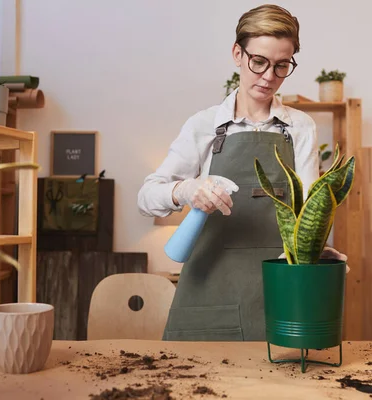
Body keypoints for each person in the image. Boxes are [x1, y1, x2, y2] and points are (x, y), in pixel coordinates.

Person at [137, 4, 347, 341]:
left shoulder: (300, 128)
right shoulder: (204, 125)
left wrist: (316, 252)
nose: (268, 77)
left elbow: (309, 210)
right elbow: (147, 196)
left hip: (279, 293)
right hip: (209, 292)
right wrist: (187, 190)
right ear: (238, 53)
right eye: (259, 62)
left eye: (282, 66)